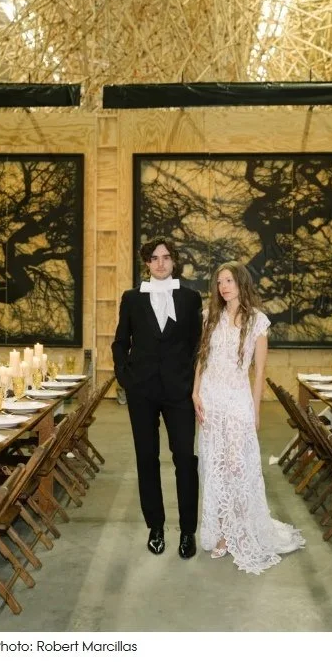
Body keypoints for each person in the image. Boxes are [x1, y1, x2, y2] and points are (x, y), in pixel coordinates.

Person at [192, 261, 305, 574]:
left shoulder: (257, 321)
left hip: (237, 400)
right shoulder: (209, 316)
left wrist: (255, 411)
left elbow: (259, 372)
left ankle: (239, 529)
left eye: (229, 281)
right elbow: (202, 358)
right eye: (219, 282)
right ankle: (221, 531)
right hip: (211, 400)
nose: (223, 287)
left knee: (235, 465)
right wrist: (195, 392)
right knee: (214, 465)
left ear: (241, 283)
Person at [112, 237, 202, 559]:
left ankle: (188, 530)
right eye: (154, 258)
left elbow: (197, 345)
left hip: (179, 392)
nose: (160, 263)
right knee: (146, 458)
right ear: (147, 263)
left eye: (165, 257)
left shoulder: (190, 299)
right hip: (143, 392)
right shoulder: (132, 298)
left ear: (174, 261)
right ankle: (156, 526)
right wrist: (126, 378)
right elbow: (120, 342)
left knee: (185, 459)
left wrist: (193, 382)